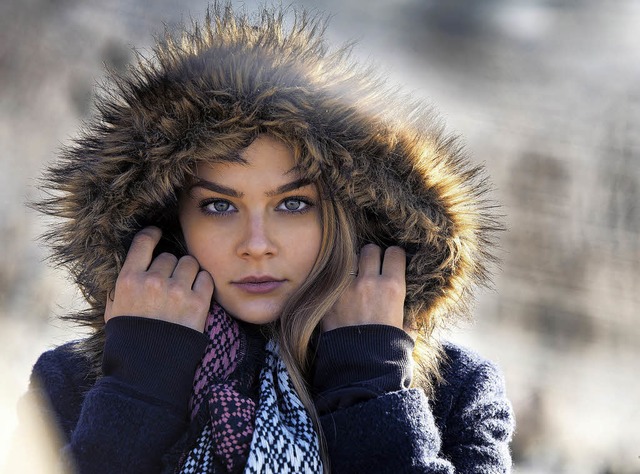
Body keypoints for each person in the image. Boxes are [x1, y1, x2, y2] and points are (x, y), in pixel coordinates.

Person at [24, 2, 514, 473]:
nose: (256, 244)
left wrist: (369, 389)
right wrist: (139, 387)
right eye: (219, 205)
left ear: (350, 215)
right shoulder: (71, 384)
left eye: (293, 204)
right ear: (168, 220)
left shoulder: (456, 393)